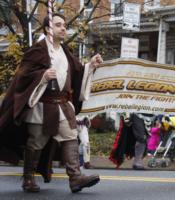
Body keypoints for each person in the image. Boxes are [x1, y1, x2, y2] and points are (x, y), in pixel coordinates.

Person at [0, 13, 103, 193]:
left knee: (70, 136)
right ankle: (29, 177)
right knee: (36, 143)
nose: (63, 28)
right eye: (58, 25)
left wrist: (91, 65)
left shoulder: (65, 51)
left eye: (63, 25)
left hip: (63, 106)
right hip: (42, 107)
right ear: (48, 29)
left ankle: (75, 178)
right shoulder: (37, 50)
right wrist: (42, 76)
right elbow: (23, 75)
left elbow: (78, 71)